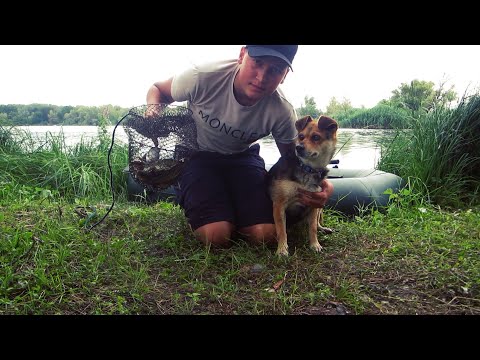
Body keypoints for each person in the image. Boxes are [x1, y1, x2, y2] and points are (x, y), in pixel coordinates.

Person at [146, 45, 334, 248]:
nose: (262, 77)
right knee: (216, 236)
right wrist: (152, 111)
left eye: (275, 69)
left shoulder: (282, 110)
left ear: (285, 74)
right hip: (195, 154)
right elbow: (158, 90)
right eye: (257, 62)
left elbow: (292, 158)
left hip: (242, 157)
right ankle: (203, 206)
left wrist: (323, 183)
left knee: (265, 235)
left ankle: (231, 208)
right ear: (242, 54)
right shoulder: (201, 76)